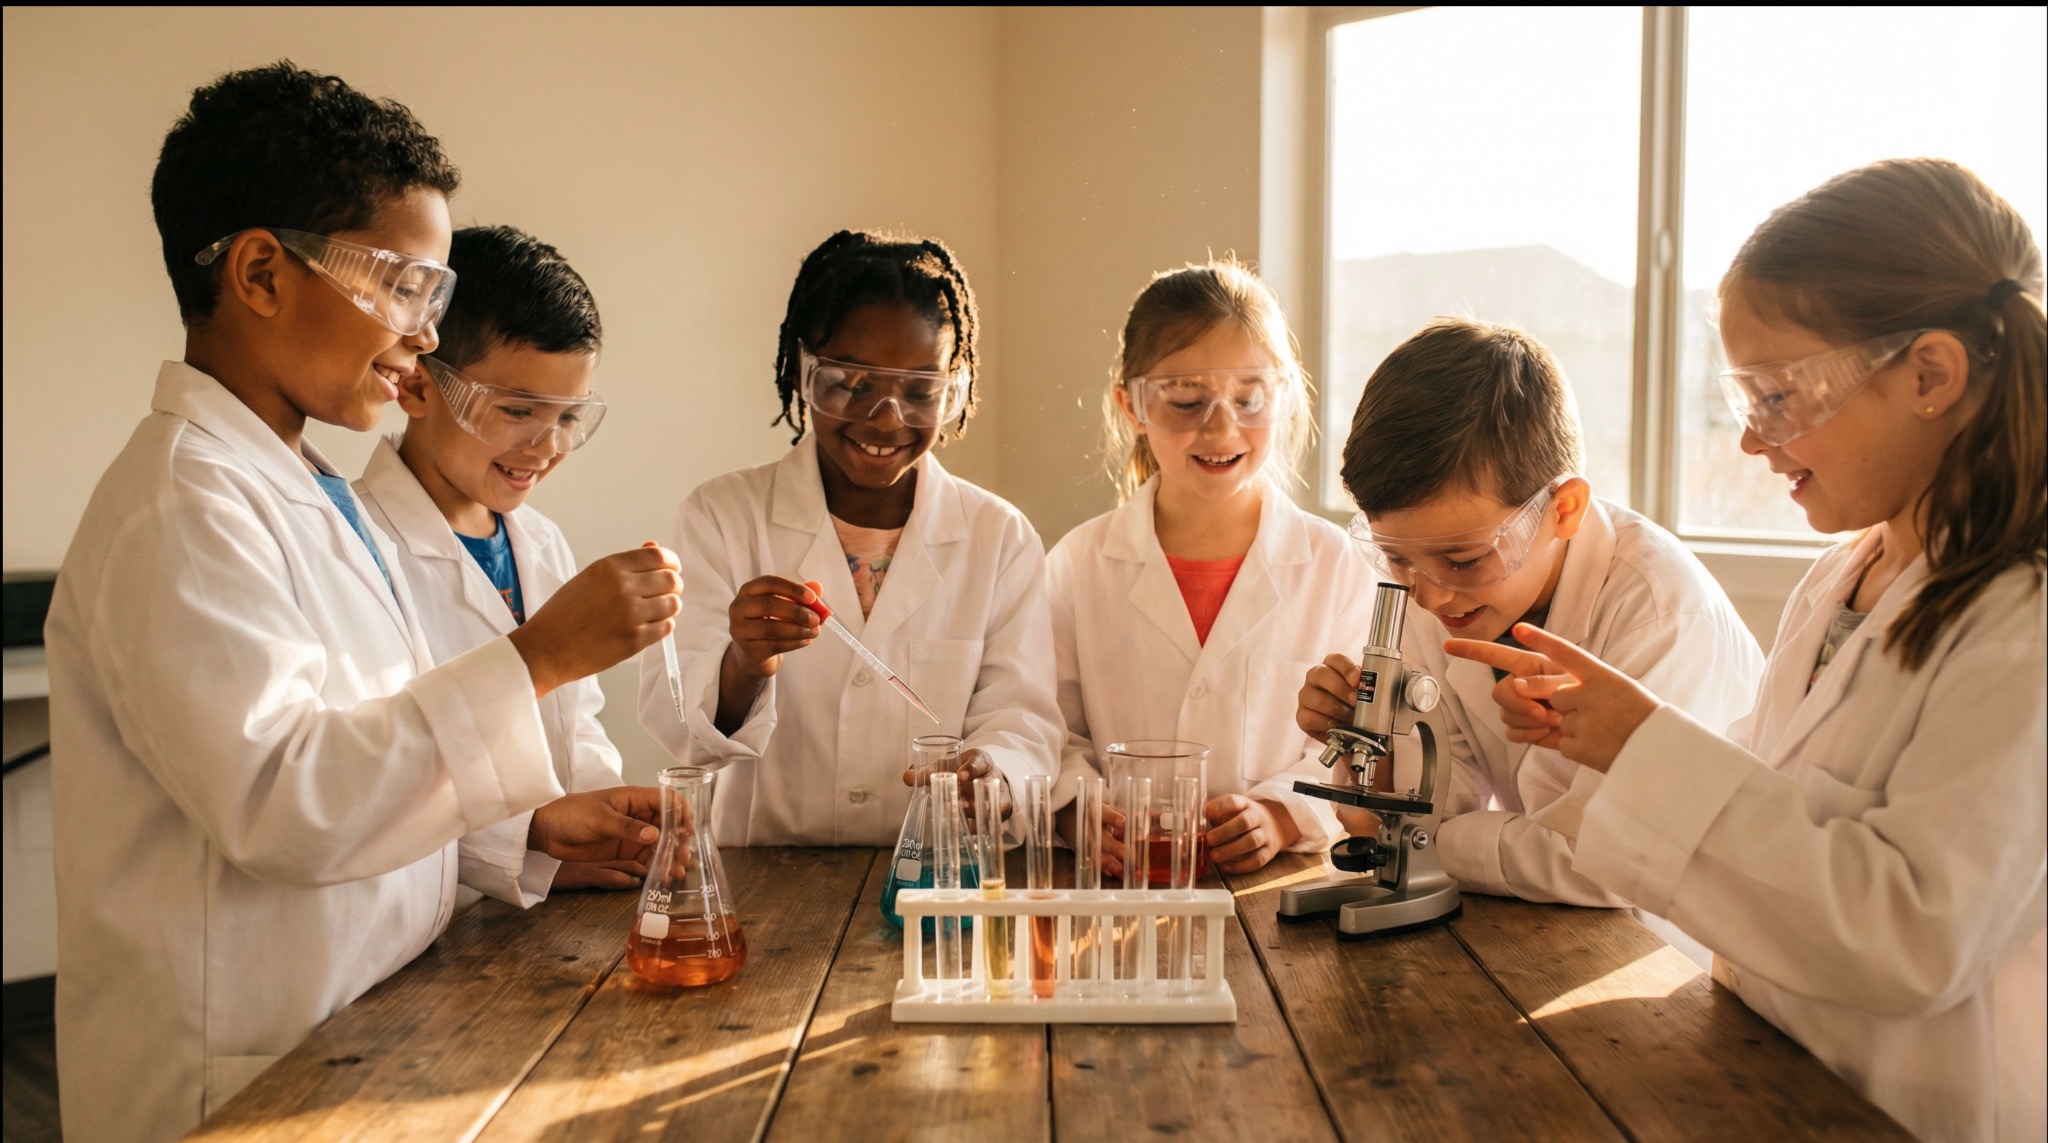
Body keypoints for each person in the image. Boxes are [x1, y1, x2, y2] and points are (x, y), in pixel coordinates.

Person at [43, 64, 679, 1142]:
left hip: (363, 1035)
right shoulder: (184, 502)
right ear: (260, 272)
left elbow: (362, 767)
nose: (424, 334)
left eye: (436, 298)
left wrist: (524, 833)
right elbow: (285, 804)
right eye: (404, 287)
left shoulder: (299, 488)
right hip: (234, 1081)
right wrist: (537, 658)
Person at [1447, 158, 2045, 1142]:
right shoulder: (1844, 573)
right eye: (1744, 398)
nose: (1751, 441)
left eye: (1777, 395)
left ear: (1929, 375)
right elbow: (1774, 785)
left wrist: (1639, 745)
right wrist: (1608, 735)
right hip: (1774, 1076)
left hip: (1919, 1110)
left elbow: (1915, 934)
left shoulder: (2020, 618)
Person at [1295, 318, 1761, 961]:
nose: (1428, 597)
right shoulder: (1443, 591)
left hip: (1669, 956)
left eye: (1463, 560)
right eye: (1397, 558)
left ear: (1563, 510)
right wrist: (1367, 759)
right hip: (1546, 933)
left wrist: (1432, 840)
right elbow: (1436, 801)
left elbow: (1604, 862)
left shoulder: (1661, 616)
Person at [639, 230, 1062, 843]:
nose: (886, 419)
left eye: (920, 392)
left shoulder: (998, 537)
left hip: (936, 876)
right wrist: (745, 663)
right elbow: (679, 727)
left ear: (953, 391)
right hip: (766, 872)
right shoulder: (722, 517)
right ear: (803, 372)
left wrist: (994, 773)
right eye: (853, 385)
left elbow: (1023, 717)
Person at [356, 223, 648, 904]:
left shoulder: (541, 542)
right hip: (425, 916)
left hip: (538, 915)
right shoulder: (358, 544)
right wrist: (528, 839)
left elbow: (575, 723)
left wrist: (609, 821)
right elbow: (363, 781)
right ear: (418, 386)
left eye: (569, 417)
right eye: (518, 410)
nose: (547, 447)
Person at [1048, 260, 1367, 875]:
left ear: (1282, 395)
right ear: (1132, 406)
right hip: (1122, 881)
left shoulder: (1336, 567)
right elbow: (1050, 727)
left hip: (1272, 896)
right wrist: (1075, 812)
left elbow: (1354, 742)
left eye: (1250, 398)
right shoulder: (1076, 566)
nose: (1221, 427)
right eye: (1187, 400)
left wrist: (1281, 815)